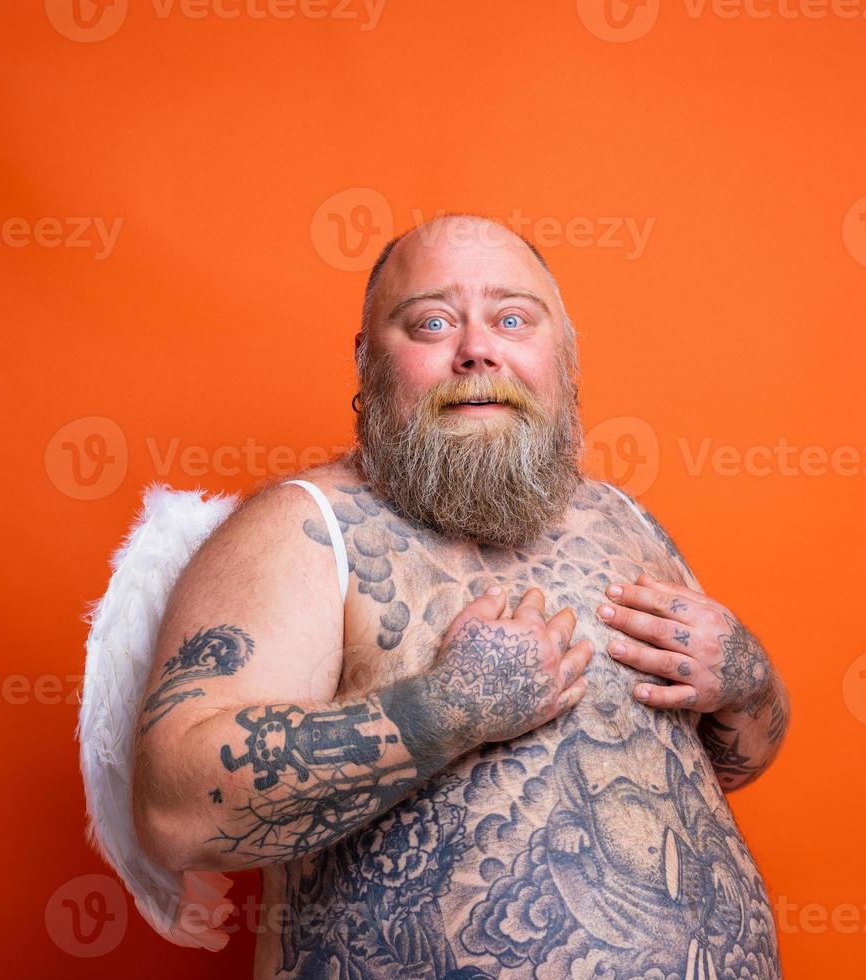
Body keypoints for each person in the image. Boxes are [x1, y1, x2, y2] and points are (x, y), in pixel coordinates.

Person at [131, 213, 789, 979]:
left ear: (563, 357)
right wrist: (446, 710)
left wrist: (747, 680)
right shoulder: (304, 529)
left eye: (512, 318)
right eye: (432, 323)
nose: (477, 349)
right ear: (367, 360)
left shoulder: (624, 521)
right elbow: (174, 814)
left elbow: (723, 765)